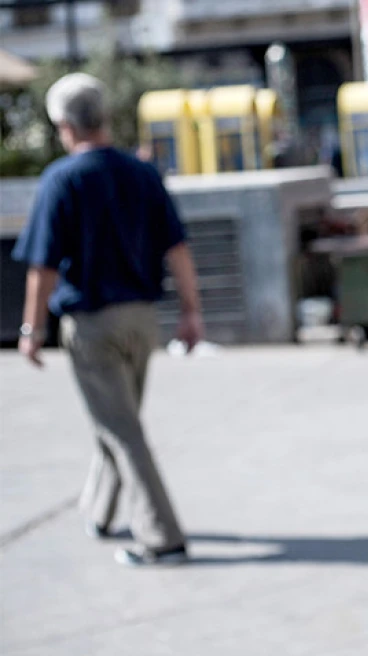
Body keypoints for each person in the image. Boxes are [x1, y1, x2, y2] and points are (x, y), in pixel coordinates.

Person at [13, 73, 204, 566]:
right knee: (118, 419)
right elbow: (177, 248)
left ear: (64, 125)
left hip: (93, 324)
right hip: (142, 320)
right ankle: (99, 512)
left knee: (120, 428)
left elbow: (43, 267)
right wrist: (191, 311)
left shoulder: (62, 179)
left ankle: (163, 539)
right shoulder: (143, 173)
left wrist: (31, 331)